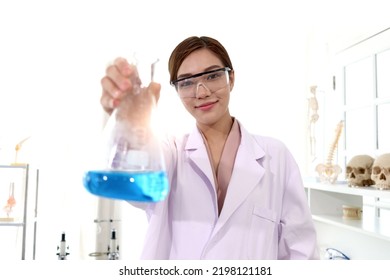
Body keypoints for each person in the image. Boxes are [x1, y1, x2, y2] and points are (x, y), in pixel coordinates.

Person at [100, 36, 319, 260]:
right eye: (186, 82)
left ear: (231, 78)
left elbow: (301, 248)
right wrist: (128, 123)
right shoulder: (170, 152)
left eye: (213, 76)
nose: (202, 92)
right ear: (176, 90)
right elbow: (137, 184)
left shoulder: (276, 155)